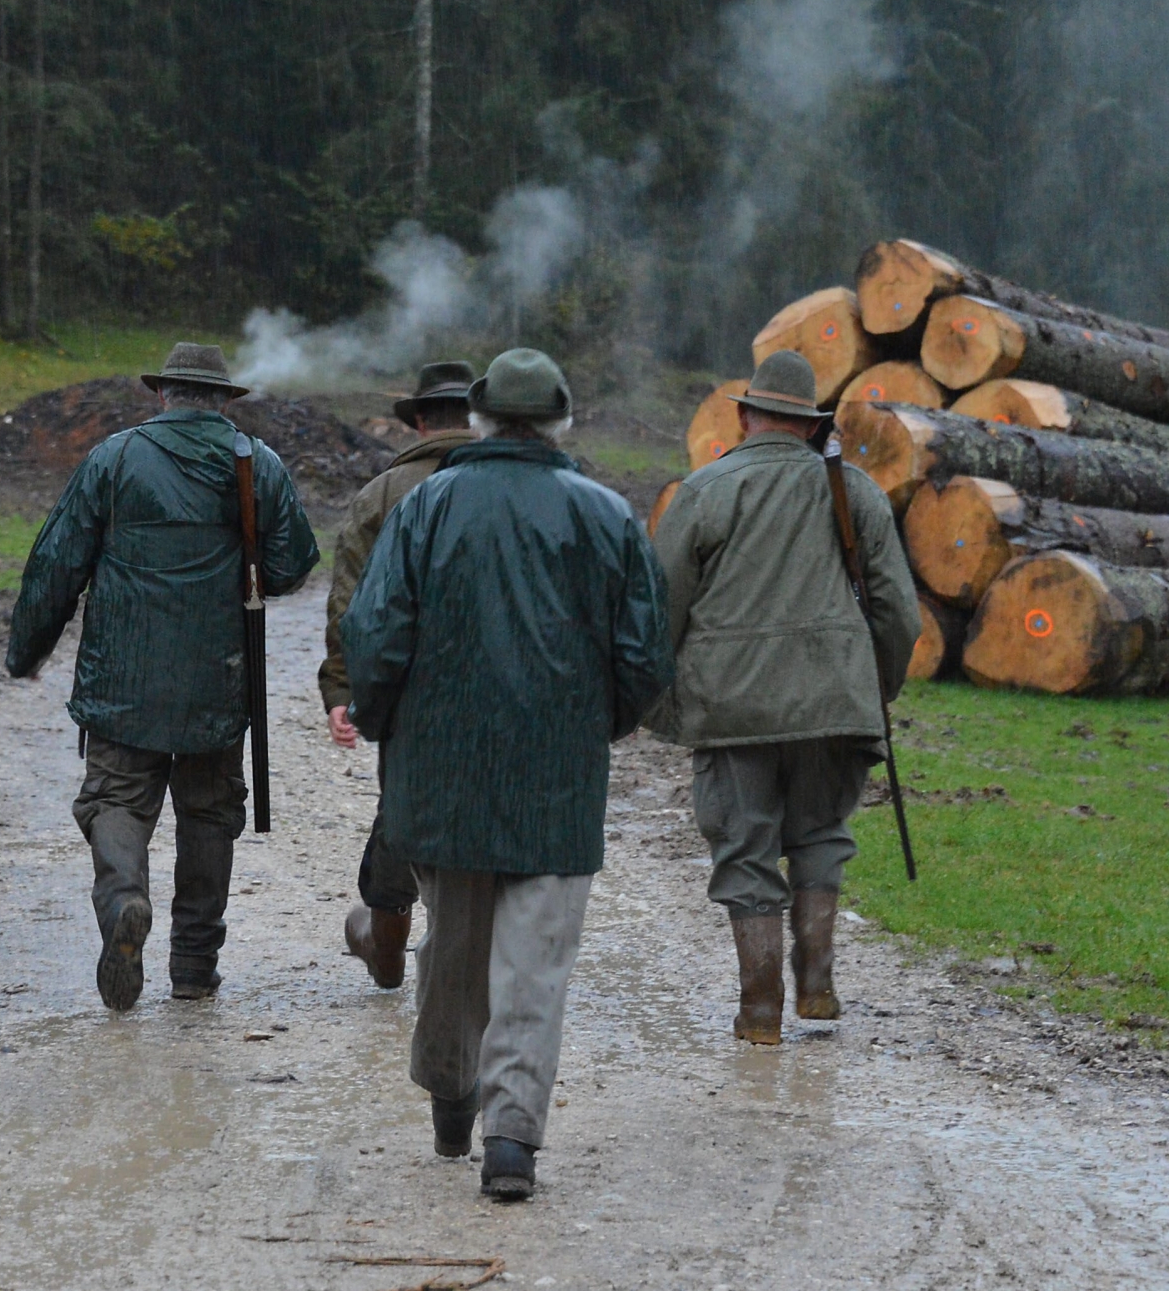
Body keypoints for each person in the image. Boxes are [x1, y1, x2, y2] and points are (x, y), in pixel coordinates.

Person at [341, 348, 672, 1201]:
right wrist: (600, 725)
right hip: (558, 781)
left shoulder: (427, 506)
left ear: (480, 417)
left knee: (452, 950)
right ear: (561, 417)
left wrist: (384, 725)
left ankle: (453, 1099)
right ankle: (512, 1140)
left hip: (441, 773)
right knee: (534, 965)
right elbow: (644, 654)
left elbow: (375, 633)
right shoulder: (605, 514)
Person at [6, 343, 318, 1011]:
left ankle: (124, 900)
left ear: (163, 396)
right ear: (224, 400)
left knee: (116, 799)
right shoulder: (255, 464)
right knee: (208, 812)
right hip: (217, 678)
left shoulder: (113, 458)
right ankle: (194, 969)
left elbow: (56, 563)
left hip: (123, 677)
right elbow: (291, 567)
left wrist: (26, 650)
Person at [650, 349, 920, 1045]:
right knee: (822, 838)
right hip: (834, 704)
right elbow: (899, 614)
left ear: (744, 415)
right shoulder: (854, 491)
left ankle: (761, 1011)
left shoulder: (705, 491)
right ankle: (818, 986)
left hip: (732, 708)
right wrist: (872, 687)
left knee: (746, 851)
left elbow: (659, 609)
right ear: (811, 424)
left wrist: (660, 707)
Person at [320, 361, 477, 989]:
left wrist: (342, 688)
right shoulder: (516, 486)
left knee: (406, 811)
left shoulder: (382, 494)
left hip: (411, 695)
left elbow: (350, 608)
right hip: (509, 692)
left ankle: (388, 945)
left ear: (415, 420)